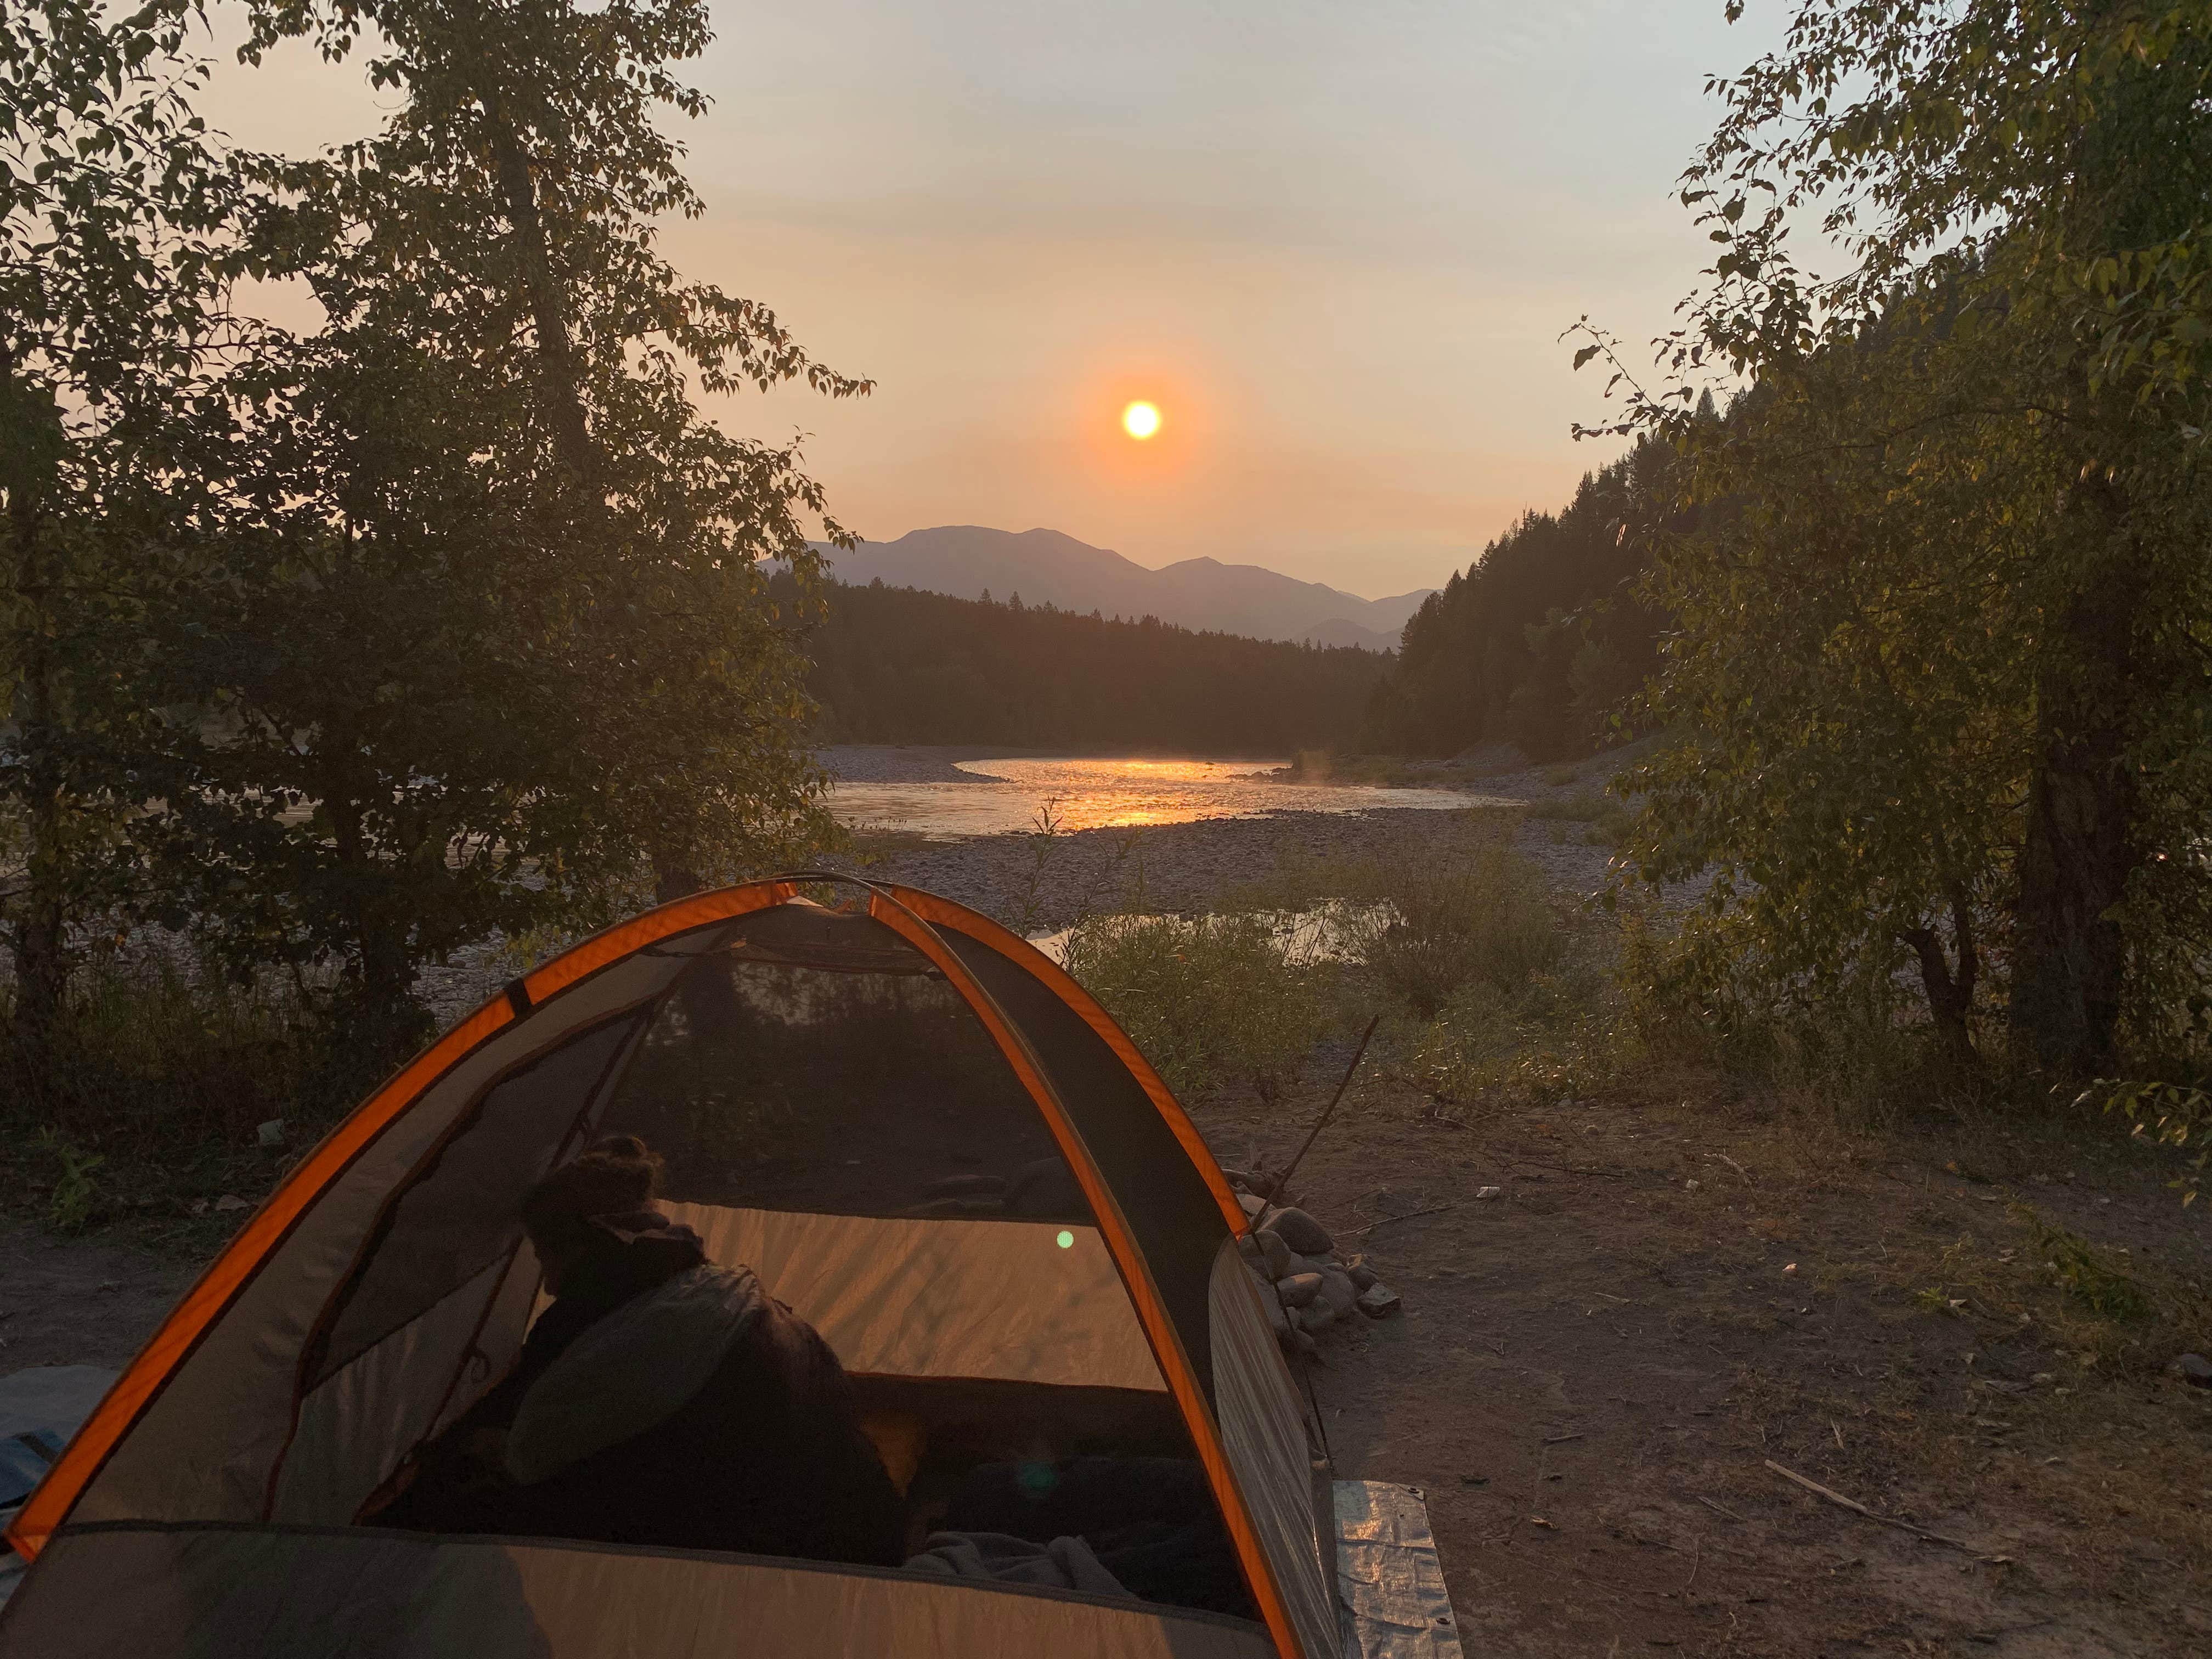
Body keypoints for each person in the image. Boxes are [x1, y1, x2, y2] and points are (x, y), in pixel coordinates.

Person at [372, 1136, 905, 1567]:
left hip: (770, 1563)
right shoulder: (711, 1287)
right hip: (868, 1532)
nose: (551, 1287)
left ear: (581, 1247)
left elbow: (516, 1432)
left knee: (459, 1508)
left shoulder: (587, 1313)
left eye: (545, 1261)